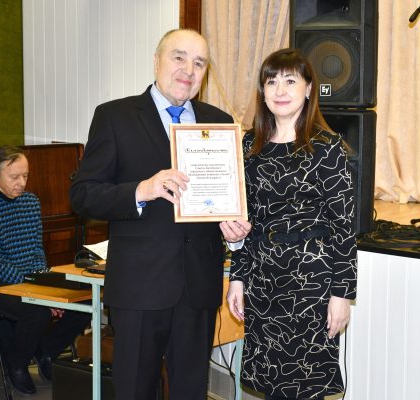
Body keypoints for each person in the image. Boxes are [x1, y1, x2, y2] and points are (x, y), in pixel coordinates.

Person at [70, 29, 250, 400]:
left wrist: (234, 229)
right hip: (138, 288)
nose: (189, 70)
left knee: (190, 392)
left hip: (198, 288)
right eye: (179, 57)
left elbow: (228, 200)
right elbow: (84, 195)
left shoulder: (219, 122)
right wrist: (142, 190)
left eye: (199, 63)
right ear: (157, 61)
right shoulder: (114, 116)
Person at [226, 48, 358, 400]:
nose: (280, 90)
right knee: (270, 384)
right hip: (262, 281)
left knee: (306, 387)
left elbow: (343, 228)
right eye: (271, 82)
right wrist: (237, 278)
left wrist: (342, 295)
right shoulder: (249, 145)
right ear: (263, 91)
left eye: (290, 81)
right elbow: (245, 221)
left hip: (311, 285)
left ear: (309, 89)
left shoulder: (327, 147)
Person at [0, 145, 91, 395]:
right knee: (37, 311)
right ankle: (17, 364)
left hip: (24, 277)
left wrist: (47, 285)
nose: (21, 182)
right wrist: (37, 290)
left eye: (25, 175)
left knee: (85, 301)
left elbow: (36, 251)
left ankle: (47, 352)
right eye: (14, 177)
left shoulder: (31, 202)